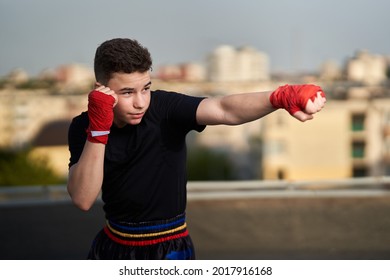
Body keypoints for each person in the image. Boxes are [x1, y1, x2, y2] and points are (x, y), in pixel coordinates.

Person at [67, 38, 326, 260]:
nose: (140, 102)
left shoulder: (164, 108)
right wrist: (99, 130)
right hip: (113, 246)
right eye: (126, 93)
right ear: (100, 90)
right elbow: (83, 198)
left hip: (169, 247)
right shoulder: (83, 126)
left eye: (146, 88)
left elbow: (223, 109)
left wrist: (280, 97)